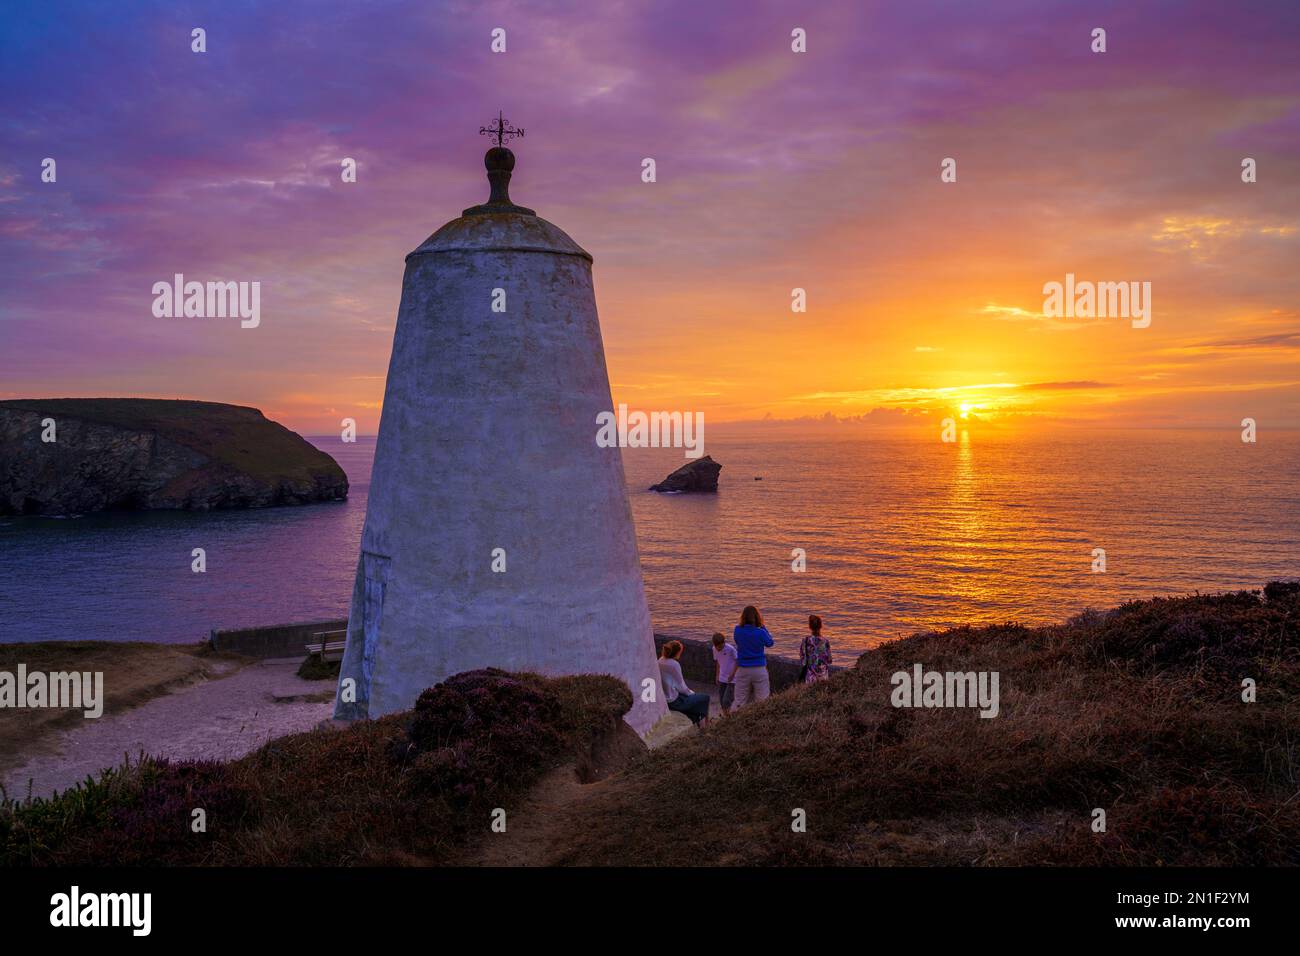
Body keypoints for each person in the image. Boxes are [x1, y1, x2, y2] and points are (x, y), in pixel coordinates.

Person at [658, 640, 710, 726]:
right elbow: (682, 687)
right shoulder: (674, 664)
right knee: (705, 698)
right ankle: (706, 726)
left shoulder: (660, 660)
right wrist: (692, 693)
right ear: (677, 652)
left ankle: (699, 722)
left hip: (665, 698)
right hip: (674, 702)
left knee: (695, 703)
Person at [732, 605, 774, 709]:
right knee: (762, 701)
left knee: (739, 701)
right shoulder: (760, 632)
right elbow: (770, 643)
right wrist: (764, 627)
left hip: (743, 668)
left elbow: (737, 641)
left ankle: (734, 722)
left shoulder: (737, 630)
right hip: (759, 668)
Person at [799, 615, 833, 684]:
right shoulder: (825, 641)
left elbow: (803, 660)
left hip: (810, 676)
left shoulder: (805, 641)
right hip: (823, 677)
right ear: (821, 626)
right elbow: (829, 660)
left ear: (810, 627)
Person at [711, 632, 738, 715]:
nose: (719, 649)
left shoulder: (730, 649)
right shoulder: (714, 649)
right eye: (717, 647)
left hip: (732, 678)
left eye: (721, 647)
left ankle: (729, 715)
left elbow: (738, 661)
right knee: (721, 699)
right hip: (722, 677)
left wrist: (733, 674)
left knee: (727, 700)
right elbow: (718, 662)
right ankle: (726, 717)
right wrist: (717, 675)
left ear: (724, 643)